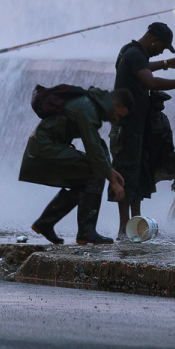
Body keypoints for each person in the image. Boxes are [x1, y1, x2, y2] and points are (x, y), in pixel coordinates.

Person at [110, 22, 175, 238]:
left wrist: (166, 63)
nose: (161, 51)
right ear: (154, 40)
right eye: (162, 47)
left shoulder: (130, 52)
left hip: (136, 127)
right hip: (127, 127)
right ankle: (124, 229)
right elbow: (150, 82)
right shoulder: (134, 54)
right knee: (125, 175)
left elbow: (141, 68)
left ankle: (137, 224)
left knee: (139, 176)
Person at [20, 87, 132, 245]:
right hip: (46, 148)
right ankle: (87, 232)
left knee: (82, 181)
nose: (117, 120)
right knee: (94, 173)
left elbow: (97, 145)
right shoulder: (86, 107)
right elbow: (92, 147)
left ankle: (45, 223)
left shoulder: (91, 106)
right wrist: (112, 181)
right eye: (119, 115)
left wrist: (110, 171)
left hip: (47, 147)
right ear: (115, 103)